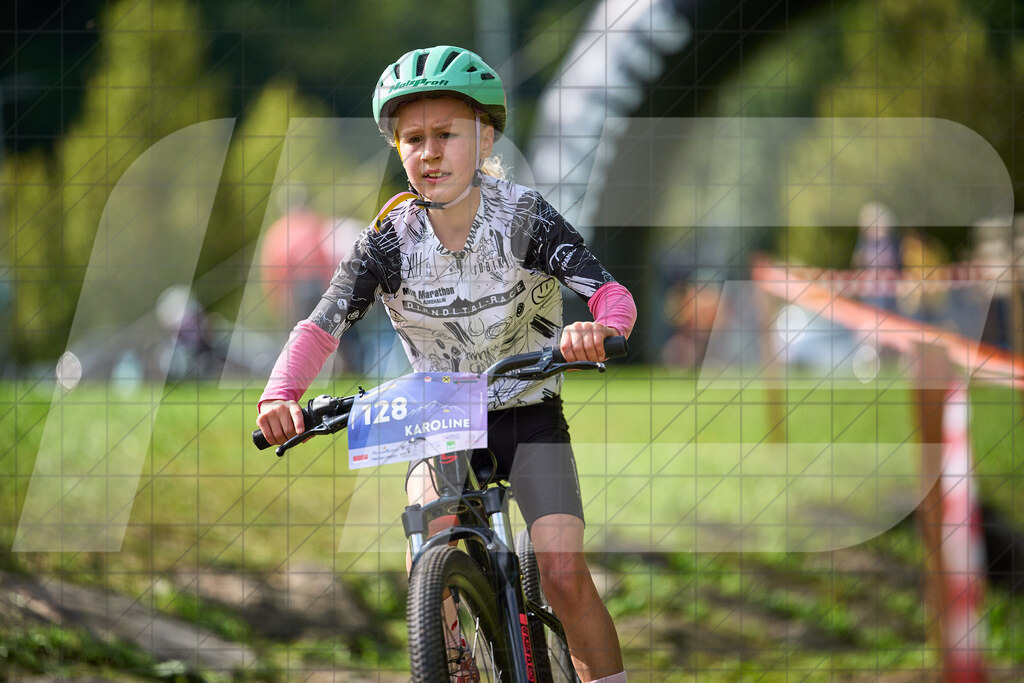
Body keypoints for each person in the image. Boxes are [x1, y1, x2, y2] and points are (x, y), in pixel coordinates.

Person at [255, 45, 636, 683]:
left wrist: (600, 331)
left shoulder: (523, 217)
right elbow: (321, 328)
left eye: (446, 135)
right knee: (425, 561)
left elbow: (611, 294)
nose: (429, 153)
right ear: (397, 149)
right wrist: (280, 395)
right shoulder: (387, 241)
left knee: (564, 573)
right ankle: (454, 663)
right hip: (440, 418)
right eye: (413, 139)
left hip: (529, 414)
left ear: (485, 137)